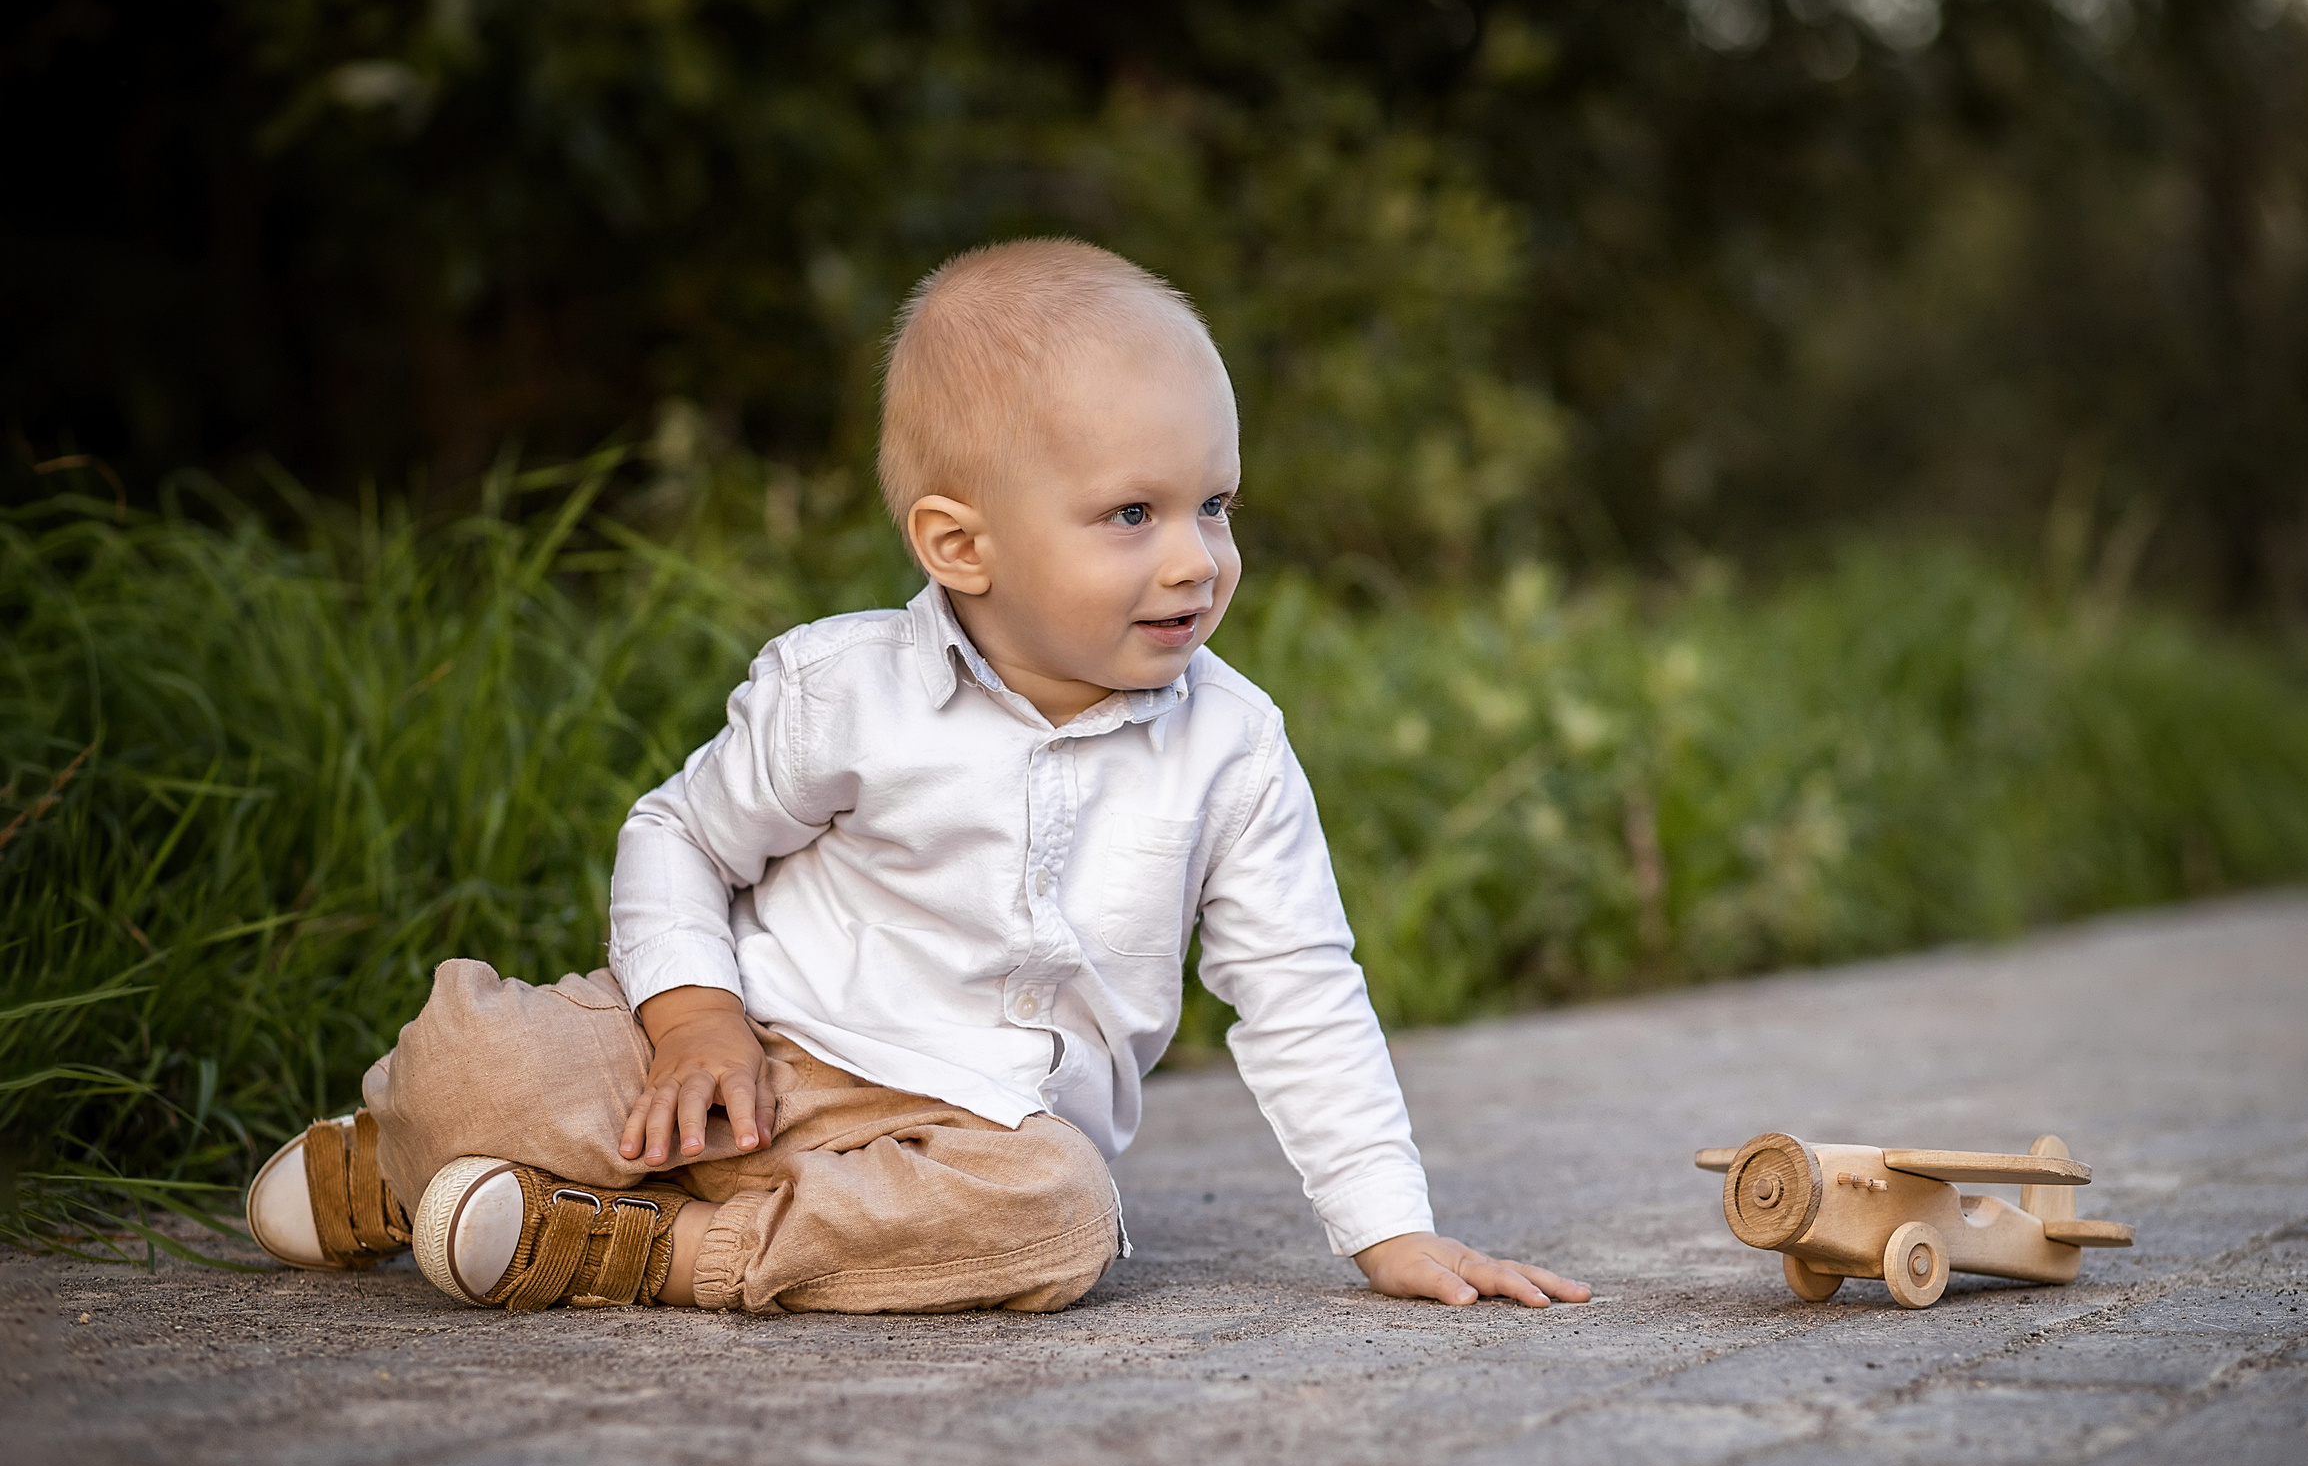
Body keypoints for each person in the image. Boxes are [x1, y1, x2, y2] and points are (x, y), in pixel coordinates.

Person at [244, 237, 1591, 1318]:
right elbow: (680, 840)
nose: (1197, 559)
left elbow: (1299, 987)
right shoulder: (849, 692)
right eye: (1134, 515)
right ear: (961, 544)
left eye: (1216, 506)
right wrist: (697, 1021)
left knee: (1061, 1223)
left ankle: (632, 1252)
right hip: (747, 1052)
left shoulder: (1233, 748)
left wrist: (1389, 1228)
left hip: (968, 1137)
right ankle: (402, 1159)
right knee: (482, 1060)